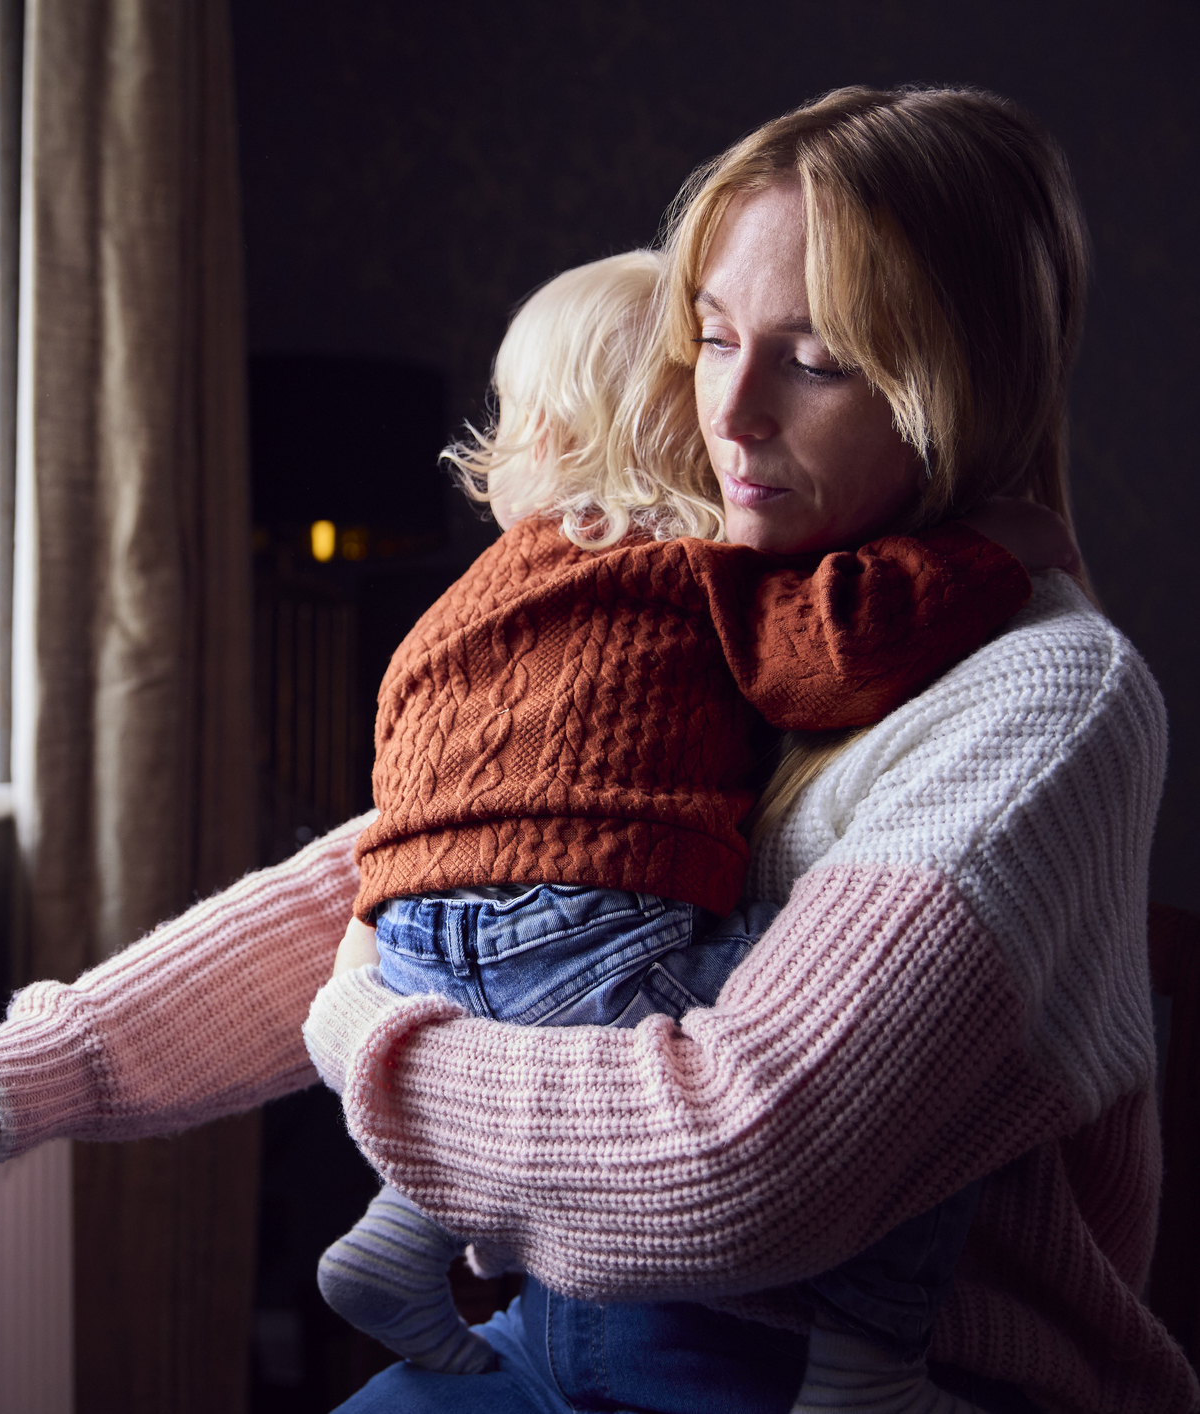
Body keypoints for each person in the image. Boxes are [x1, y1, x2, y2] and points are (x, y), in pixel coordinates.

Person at [0, 85, 1192, 1414]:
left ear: (963, 385)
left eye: (816, 359)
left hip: (842, 1379)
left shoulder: (1041, 698)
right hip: (549, 1333)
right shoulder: (738, 588)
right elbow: (436, 867)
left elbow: (730, 1163)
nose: (732, 410)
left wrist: (362, 1033)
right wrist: (24, 1067)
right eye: (708, 335)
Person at [314, 244, 1047, 1414]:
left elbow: (403, 785)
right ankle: (872, 1355)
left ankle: (403, 1235)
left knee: (517, 1031)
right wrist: (994, 553)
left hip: (406, 936)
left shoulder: (461, 604)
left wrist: (376, 947)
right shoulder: (686, 563)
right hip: (584, 926)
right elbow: (835, 654)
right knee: (913, 1068)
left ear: (542, 443)